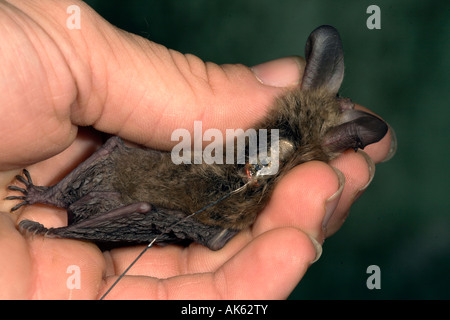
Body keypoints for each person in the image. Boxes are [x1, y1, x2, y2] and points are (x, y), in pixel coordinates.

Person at [0, 0, 395, 299]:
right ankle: (54, 211)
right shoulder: (296, 145)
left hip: (164, 196)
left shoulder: (275, 136)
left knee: (132, 172)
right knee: (135, 174)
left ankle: (54, 210)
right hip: (158, 197)